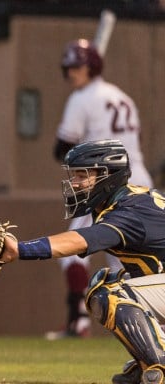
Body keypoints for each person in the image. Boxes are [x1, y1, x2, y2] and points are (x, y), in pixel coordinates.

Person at [0, 139, 165, 384]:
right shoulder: (131, 198)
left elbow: (78, 241)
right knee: (105, 281)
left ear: (107, 176)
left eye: (82, 175)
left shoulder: (127, 211)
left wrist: (19, 249)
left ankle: (159, 363)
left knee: (109, 294)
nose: (74, 183)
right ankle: (147, 361)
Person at [48, 38, 154, 340]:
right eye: (68, 67)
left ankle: (78, 323)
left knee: (70, 251)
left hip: (108, 186)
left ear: (89, 67)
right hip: (141, 181)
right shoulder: (122, 96)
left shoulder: (81, 99)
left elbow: (62, 148)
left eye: (76, 66)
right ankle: (150, 330)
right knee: (129, 261)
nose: (70, 73)